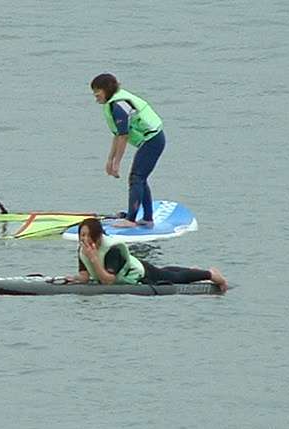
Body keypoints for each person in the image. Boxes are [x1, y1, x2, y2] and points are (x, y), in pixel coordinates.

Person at [67, 218, 227, 292]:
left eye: (87, 235)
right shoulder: (83, 250)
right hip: (137, 269)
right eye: (82, 235)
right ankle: (193, 270)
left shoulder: (112, 250)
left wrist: (94, 259)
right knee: (166, 270)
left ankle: (211, 274)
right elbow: (85, 276)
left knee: (172, 277)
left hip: (141, 274)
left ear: (98, 236)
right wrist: (74, 279)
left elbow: (108, 281)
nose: (84, 239)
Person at [90, 73, 165, 228]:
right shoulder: (113, 104)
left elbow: (124, 137)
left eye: (97, 93)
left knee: (136, 178)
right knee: (140, 178)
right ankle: (147, 218)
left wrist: (117, 163)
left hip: (153, 140)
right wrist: (110, 160)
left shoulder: (118, 106)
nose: (96, 97)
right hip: (151, 140)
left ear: (107, 90)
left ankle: (131, 220)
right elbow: (117, 135)